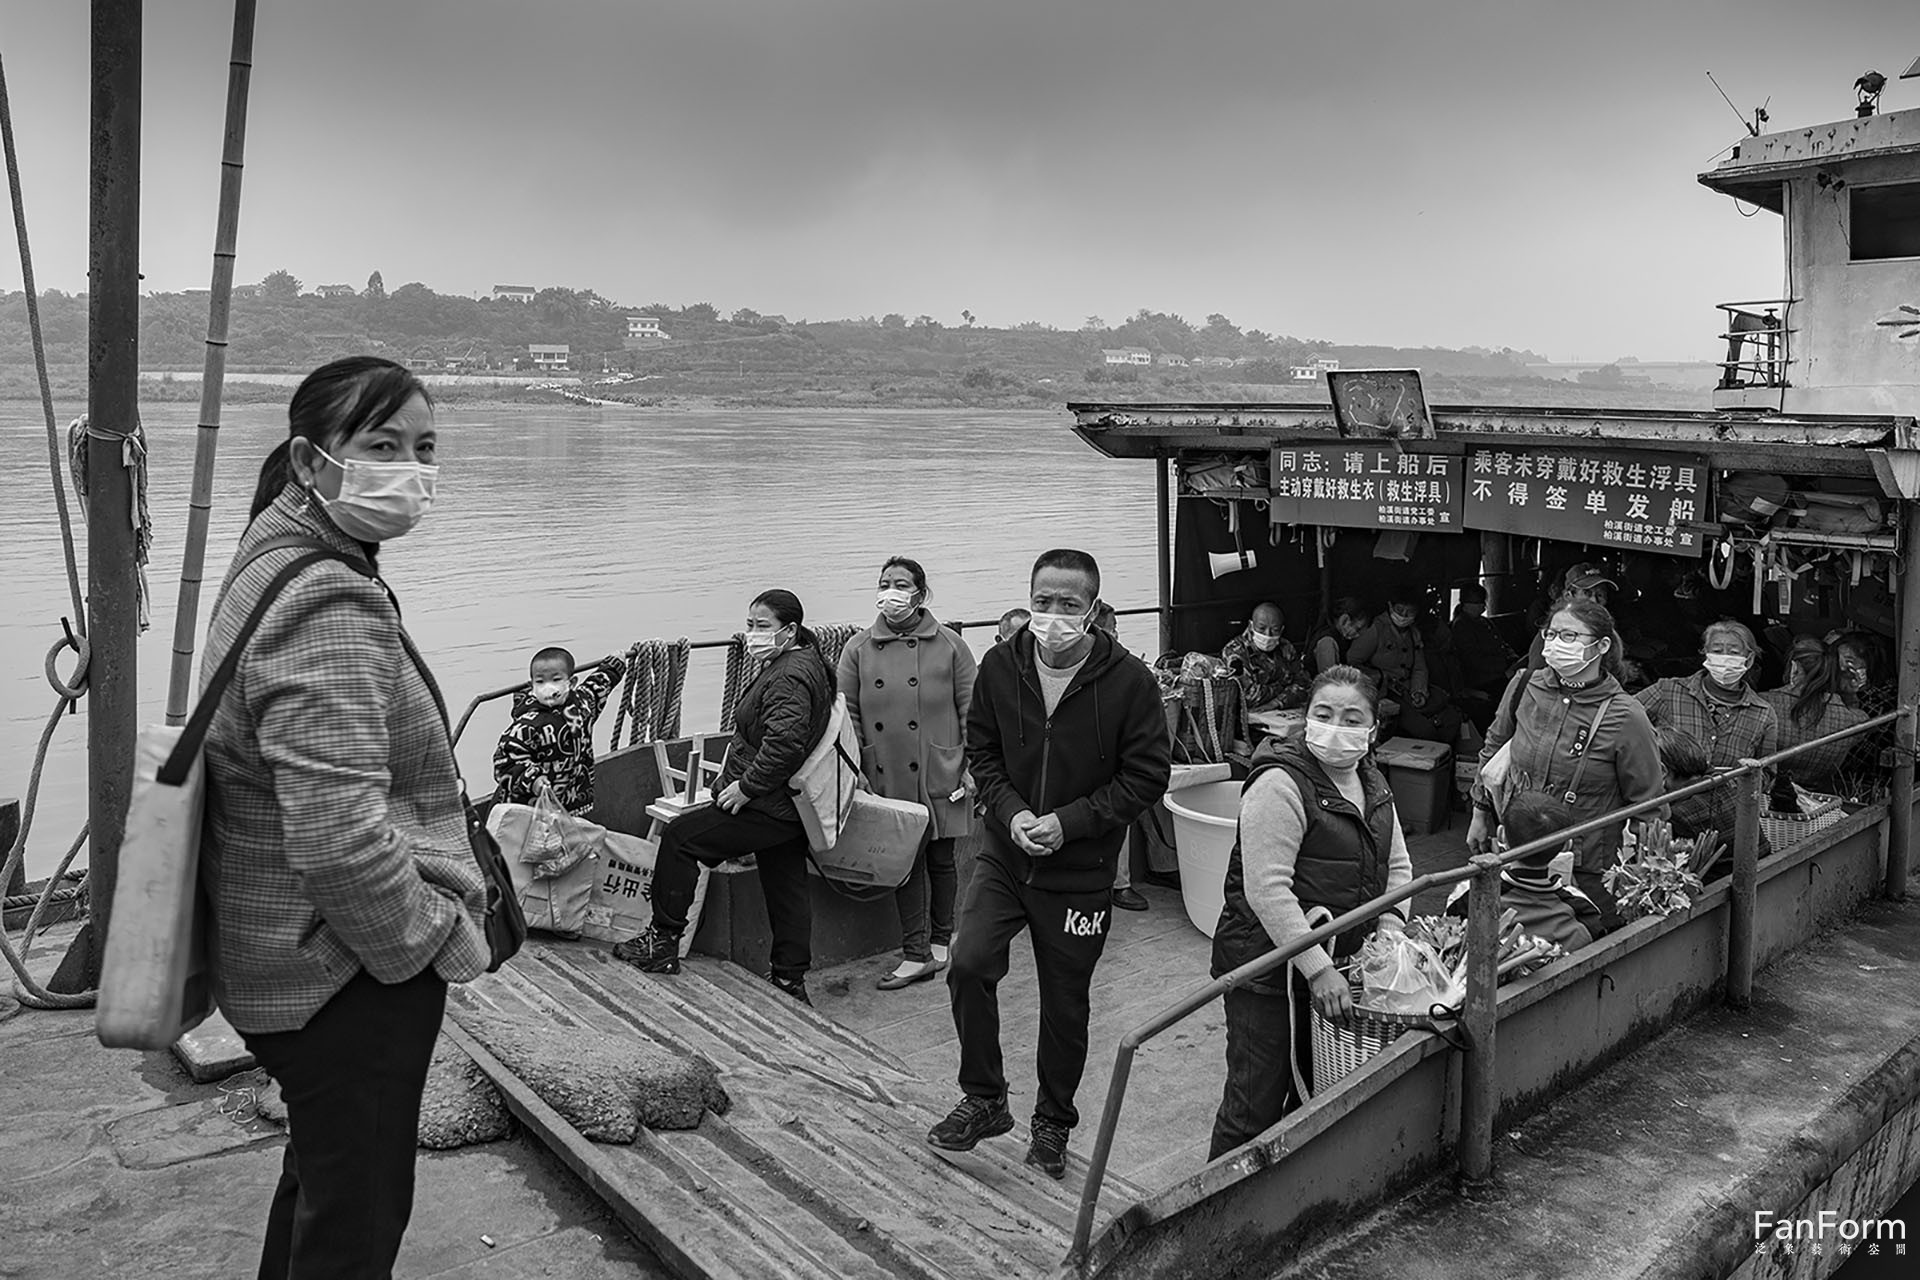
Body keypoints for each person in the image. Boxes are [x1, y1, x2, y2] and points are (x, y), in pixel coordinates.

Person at [204, 357, 489, 1277]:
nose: (410, 470)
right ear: (308, 459)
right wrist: (427, 941)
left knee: (322, 1190)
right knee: (355, 1226)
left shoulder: (275, 551)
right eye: (381, 445)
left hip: (286, 950)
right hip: (339, 973)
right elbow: (336, 836)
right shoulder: (327, 595)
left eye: (424, 448)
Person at [928, 549, 1171, 1179]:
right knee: (968, 962)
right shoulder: (1000, 665)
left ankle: (1053, 1122)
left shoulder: (1130, 682)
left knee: (1065, 1004)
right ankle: (985, 1098)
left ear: (1092, 609)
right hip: (1005, 855)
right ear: (1029, 598)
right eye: (1043, 601)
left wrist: (1070, 822)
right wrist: (1010, 814)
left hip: (1080, 871)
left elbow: (1146, 777)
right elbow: (982, 751)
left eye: (1069, 604)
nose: (1053, 615)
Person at [1207, 665, 1413, 1158]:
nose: (1336, 727)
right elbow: (1268, 889)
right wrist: (1318, 969)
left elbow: (1399, 866)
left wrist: (1388, 937)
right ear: (1306, 719)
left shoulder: (1371, 781)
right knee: (1252, 1107)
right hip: (1266, 972)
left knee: (1309, 1097)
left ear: (1373, 730)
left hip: (1337, 970)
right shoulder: (1280, 783)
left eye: (1351, 718)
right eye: (1324, 713)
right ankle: (1217, 1198)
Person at [614, 589, 833, 1004]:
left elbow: (785, 744)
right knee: (786, 885)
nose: (752, 633)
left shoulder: (788, 676)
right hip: (792, 803)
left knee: (681, 839)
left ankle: (662, 942)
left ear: (789, 631)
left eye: (763, 626)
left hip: (769, 802)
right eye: (750, 624)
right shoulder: (808, 661)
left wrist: (746, 787)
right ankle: (790, 979)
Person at [1469, 598, 1665, 933]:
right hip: (1516, 853)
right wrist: (1479, 814)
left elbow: (1648, 805)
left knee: (1581, 943)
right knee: (1507, 938)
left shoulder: (1626, 715)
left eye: (1570, 636)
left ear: (1602, 646)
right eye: (1552, 634)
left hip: (1587, 869)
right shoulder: (1525, 685)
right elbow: (1493, 746)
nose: (1557, 643)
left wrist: (1643, 876)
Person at [838, 557, 978, 990]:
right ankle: (915, 953)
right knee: (904, 862)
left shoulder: (951, 645)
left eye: (901, 584)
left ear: (920, 592)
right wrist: (857, 768)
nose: (891, 592)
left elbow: (973, 709)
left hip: (941, 766)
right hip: (883, 770)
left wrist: (973, 767)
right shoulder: (857, 648)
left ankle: (940, 942)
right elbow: (846, 714)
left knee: (941, 858)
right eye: (885, 583)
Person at [1445, 790, 1601, 954]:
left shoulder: (1470, 896)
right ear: (1567, 845)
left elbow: (1449, 944)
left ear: (1501, 835)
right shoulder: (1584, 909)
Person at [1636, 620, 1779, 798]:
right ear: (1706, 655)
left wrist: (1740, 779)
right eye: (1717, 651)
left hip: (1723, 805)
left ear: (1749, 660)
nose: (1724, 658)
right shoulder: (1667, 690)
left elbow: (1768, 773)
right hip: (1664, 801)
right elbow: (1623, 721)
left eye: (1734, 652)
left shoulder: (1763, 714)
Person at [491, 645, 629, 812]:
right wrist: (534, 780)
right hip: (531, 809)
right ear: (532, 685)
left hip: (572, 802)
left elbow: (597, 686)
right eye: (540, 681)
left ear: (572, 682)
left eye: (556, 679)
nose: (548, 687)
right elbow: (504, 762)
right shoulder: (526, 726)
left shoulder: (582, 706)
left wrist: (614, 665)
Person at [1347, 590, 1460, 744]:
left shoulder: (1414, 633)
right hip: (1385, 692)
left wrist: (1419, 692)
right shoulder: (1376, 629)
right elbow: (1352, 662)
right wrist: (1377, 679)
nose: (1404, 616)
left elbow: (1419, 668)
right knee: (1425, 731)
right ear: (1390, 606)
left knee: (1452, 718)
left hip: (1408, 690)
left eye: (1410, 612)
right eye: (1400, 610)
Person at [1761, 635, 1866, 796]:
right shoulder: (1852, 719)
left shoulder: (1764, 704)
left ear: (1794, 668)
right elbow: (1858, 717)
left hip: (1766, 797)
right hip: (1815, 800)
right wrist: (1850, 693)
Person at [1447, 584, 1518, 727]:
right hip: (1482, 678)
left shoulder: (1485, 622)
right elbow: (1472, 660)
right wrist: (1502, 669)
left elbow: (1501, 644)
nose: (1483, 606)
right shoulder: (1461, 625)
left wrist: (1512, 657)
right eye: (1478, 603)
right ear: (1467, 604)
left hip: (1500, 671)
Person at [1221, 602, 1310, 712]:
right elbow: (1248, 696)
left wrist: (1276, 702)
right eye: (1261, 628)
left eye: (1275, 630)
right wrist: (1283, 685)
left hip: (1281, 711)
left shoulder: (1286, 647)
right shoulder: (1235, 651)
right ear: (1251, 626)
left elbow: (1304, 684)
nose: (1268, 634)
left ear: (1281, 630)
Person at [1307, 596, 1367, 674]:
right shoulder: (1327, 642)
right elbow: (1329, 678)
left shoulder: (1338, 638)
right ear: (1344, 620)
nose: (1357, 635)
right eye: (1357, 629)